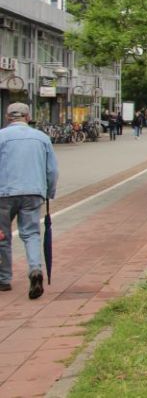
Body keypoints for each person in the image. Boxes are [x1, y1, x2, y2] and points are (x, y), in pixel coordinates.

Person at [0, 103, 57, 299]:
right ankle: (35, 269)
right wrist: (49, 191)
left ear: (8, 117)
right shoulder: (42, 138)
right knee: (31, 233)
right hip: (33, 192)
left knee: (2, 236)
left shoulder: (1, 137)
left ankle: (4, 278)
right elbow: (52, 171)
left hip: (4, 194)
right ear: (27, 116)